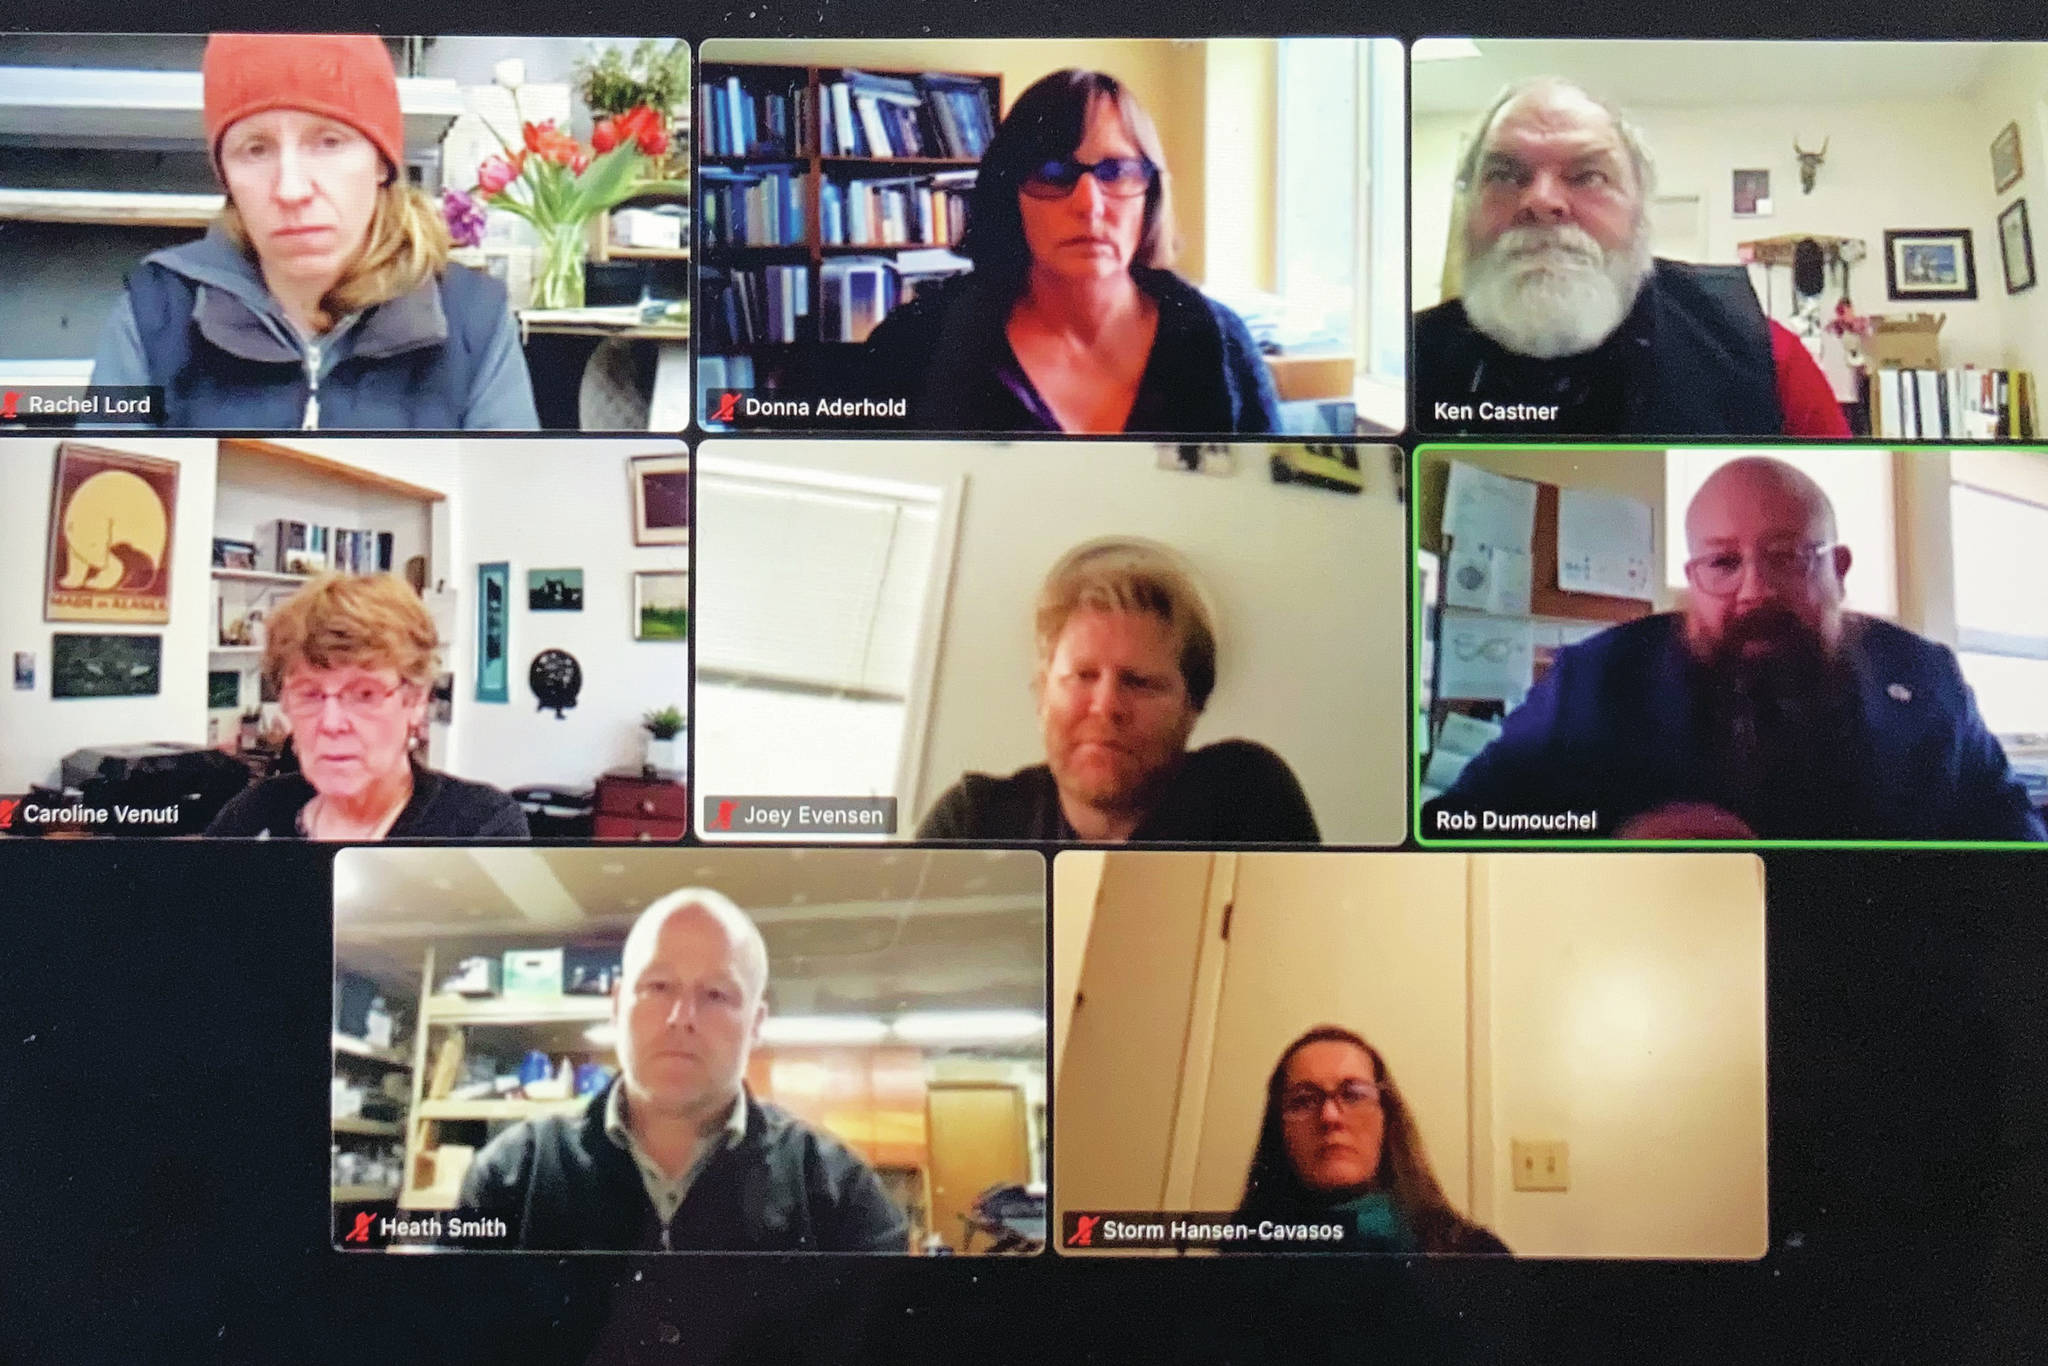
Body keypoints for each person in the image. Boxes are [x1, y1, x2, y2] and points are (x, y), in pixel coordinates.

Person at [1426, 457, 2046, 841]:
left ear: (1840, 569)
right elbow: (1460, 823)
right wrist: (1608, 840)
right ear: (1695, 579)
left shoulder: (1924, 676)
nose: (1755, 589)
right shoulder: (1594, 680)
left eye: (1786, 557)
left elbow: (2010, 831)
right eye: (1724, 562)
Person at [88, 33, 538, 430]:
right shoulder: (153, 313)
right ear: (225, 175)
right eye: (256, 149)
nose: (290, 189)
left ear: (381, 162)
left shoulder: (474, 322)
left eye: (328, 142)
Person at [459, 888, 911, 1252]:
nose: (681, 1016)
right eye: (658, 986)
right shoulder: (510, 1176)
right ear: (617, 1007)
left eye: (716, 994)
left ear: (755, 1024)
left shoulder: (841, 1195)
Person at [1415, 78, 1849, 439]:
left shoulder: (1767, 360)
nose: (1542, 200)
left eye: (1588, 175)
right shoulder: (1409, 360)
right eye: (1505, 175)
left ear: (1639, 211)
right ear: (1468, 207)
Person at [862, 69, 1280, 434]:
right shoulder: (915, 343)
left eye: (1115, 172)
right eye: (1052, 172)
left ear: (1149, 195)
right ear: (1010, 195)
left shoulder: (1224, 347)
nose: (1088, 205)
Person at [916, 539, 1319, 842]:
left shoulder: (1245, 796)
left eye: (1139, 682)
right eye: (1083, 675)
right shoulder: (972, 822)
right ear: (1042, 694)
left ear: (1192, 706)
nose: (1106, 706)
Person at [206, 574, 528, 839]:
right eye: (310, 695)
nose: (331, 723)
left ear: (415, 700)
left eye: (363, 695)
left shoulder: (478, 828)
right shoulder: (251, 814)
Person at [1230, 1026, 1508, 1255]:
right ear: (1279, 1129)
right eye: (1303, 1100)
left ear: (1387, 1118)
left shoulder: (1474, 1253)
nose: (1329, 1116)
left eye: (1352, 1095)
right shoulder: (1235, 1261)